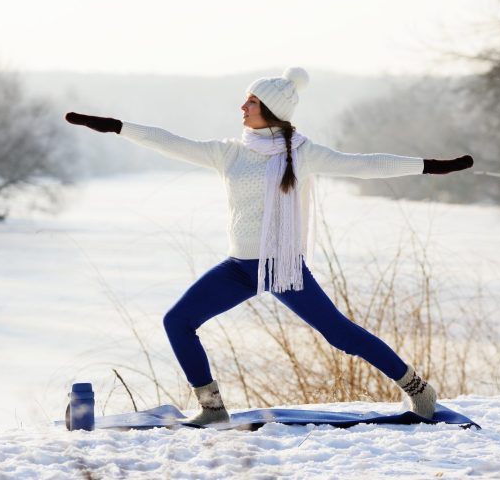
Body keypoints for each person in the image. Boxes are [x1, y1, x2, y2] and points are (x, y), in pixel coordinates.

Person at [65, 67, 473, 425]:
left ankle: (419, 389)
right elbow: (170, 141)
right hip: (239, 268)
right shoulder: (230, 153)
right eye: (245, 99)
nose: (243, 107)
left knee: (340, 335)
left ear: (272, 110)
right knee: (178, 321)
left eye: (252, 101)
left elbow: (363, 164)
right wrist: (116, 126)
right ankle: (211, 407)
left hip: (282, 267)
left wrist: (431, 166)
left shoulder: (303, 154)